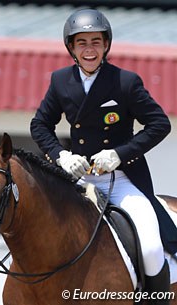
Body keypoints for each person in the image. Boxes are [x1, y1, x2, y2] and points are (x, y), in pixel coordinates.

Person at [30, 8, 177, 303]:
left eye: (96, 42)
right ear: (71, 48)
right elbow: (39, 125)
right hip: (76, 180)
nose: (89, 49)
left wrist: (120, 154)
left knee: (150, 248)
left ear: (106, 45)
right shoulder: (60, 81)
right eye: (82, 43)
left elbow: (160, 124)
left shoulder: (125, 82)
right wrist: (61, 156)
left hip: (120, 179)